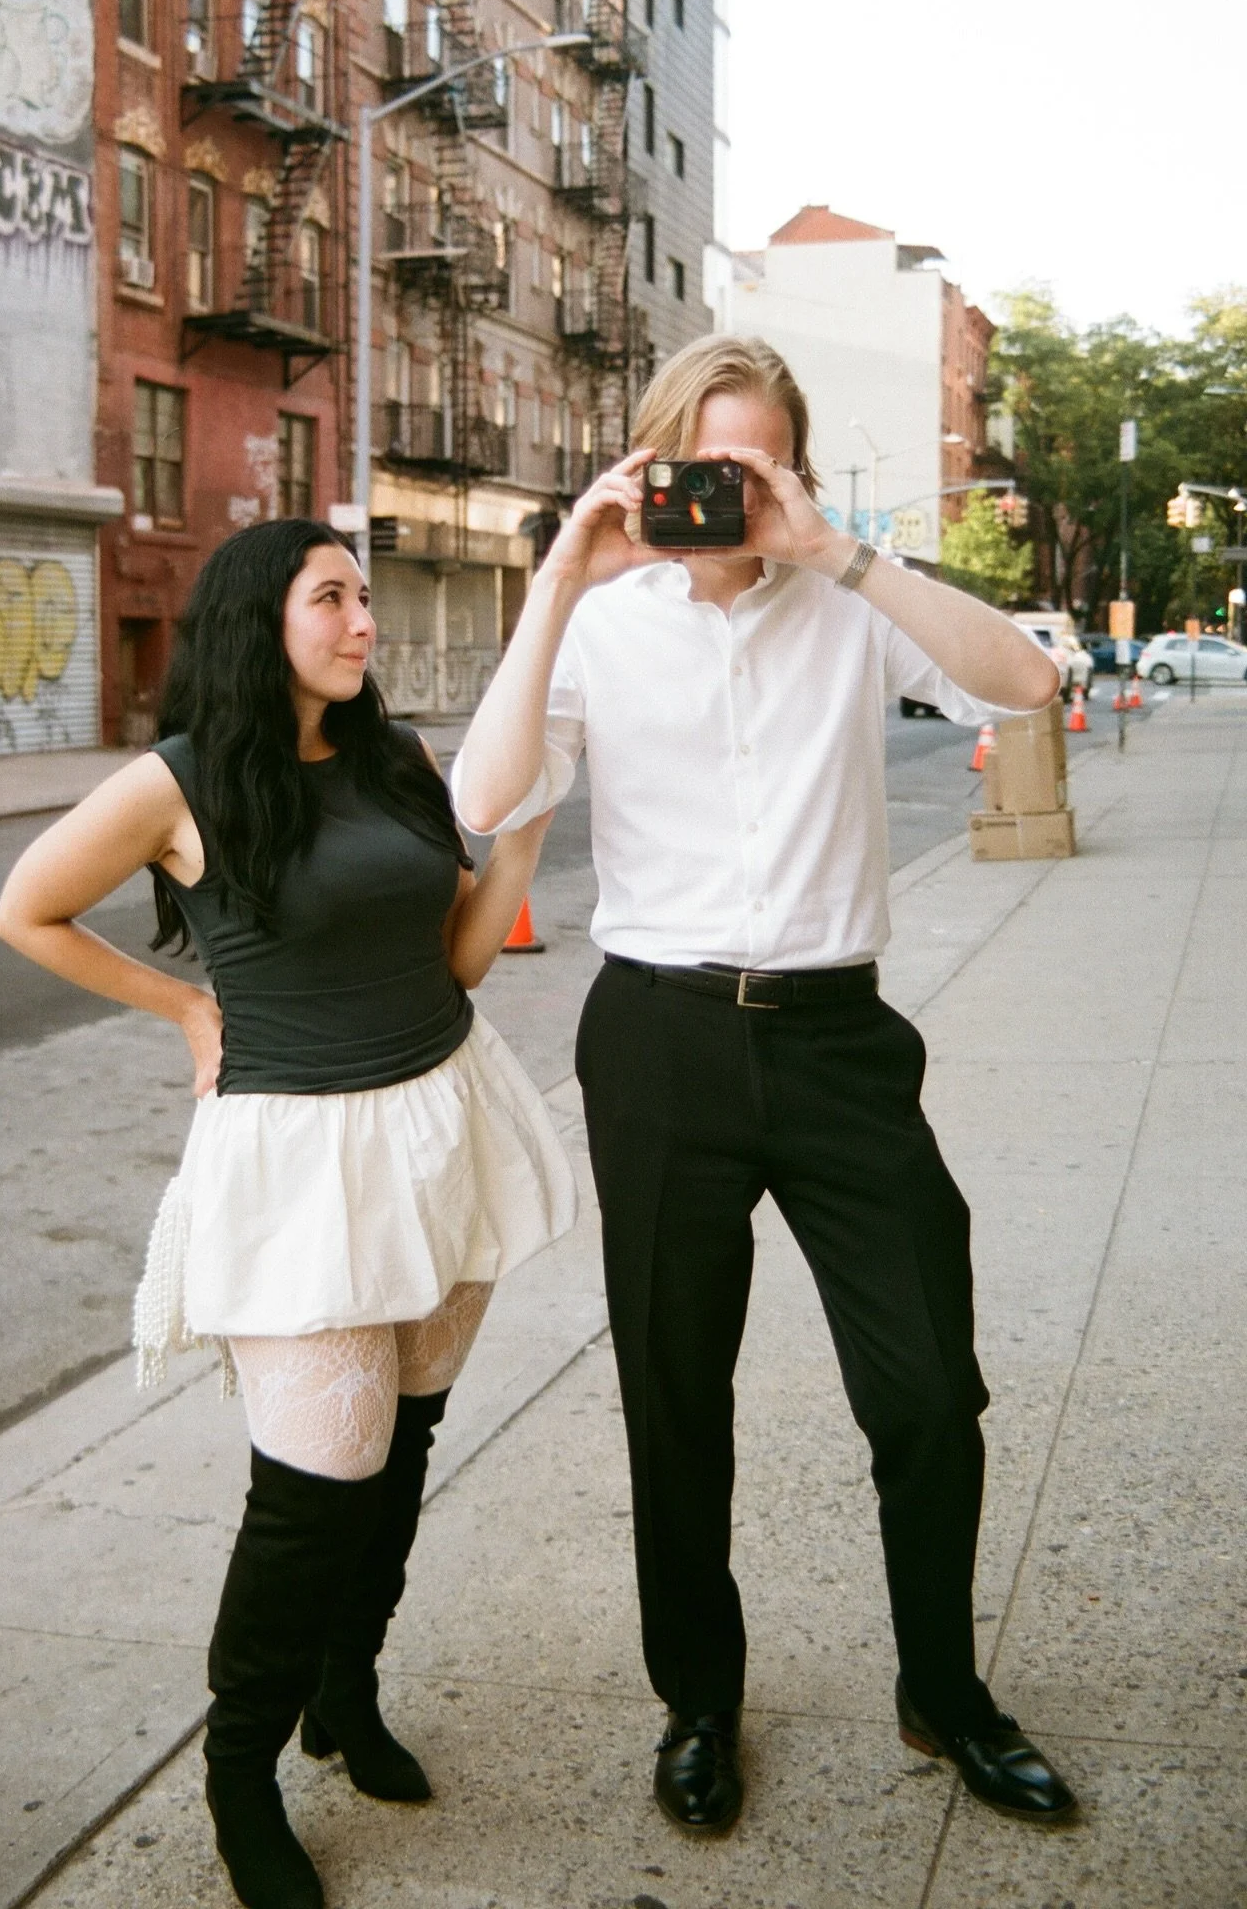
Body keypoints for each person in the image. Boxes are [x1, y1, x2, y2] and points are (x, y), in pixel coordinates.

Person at [452, 334, 1079, 1835]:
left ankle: (945, 1689)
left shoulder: (850, 605)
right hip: (660, 1042)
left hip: (839, 1046)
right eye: (704, 462)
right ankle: (699, 1704)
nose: (728, 494)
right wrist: (558, 577)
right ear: (655, 458)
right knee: (677, 1399)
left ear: (786, 465)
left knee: (929, 1385)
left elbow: (1034, 687)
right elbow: (485, 800)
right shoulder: (602, 623)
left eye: (758, 464)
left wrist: (841, 552)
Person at [0, 519, 577, 1909]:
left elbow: (461, 957)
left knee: (406, 1449)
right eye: (334, 598)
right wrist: (188, 1003)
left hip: (441, 1124)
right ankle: (240, 1772)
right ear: (263, 619)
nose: (363, 622)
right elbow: (27, 910)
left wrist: (527, 832)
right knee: (313, 1492)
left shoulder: (394, 759)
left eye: (366, 597)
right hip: (297, 1165)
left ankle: (347, 1694)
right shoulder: (175, 783)